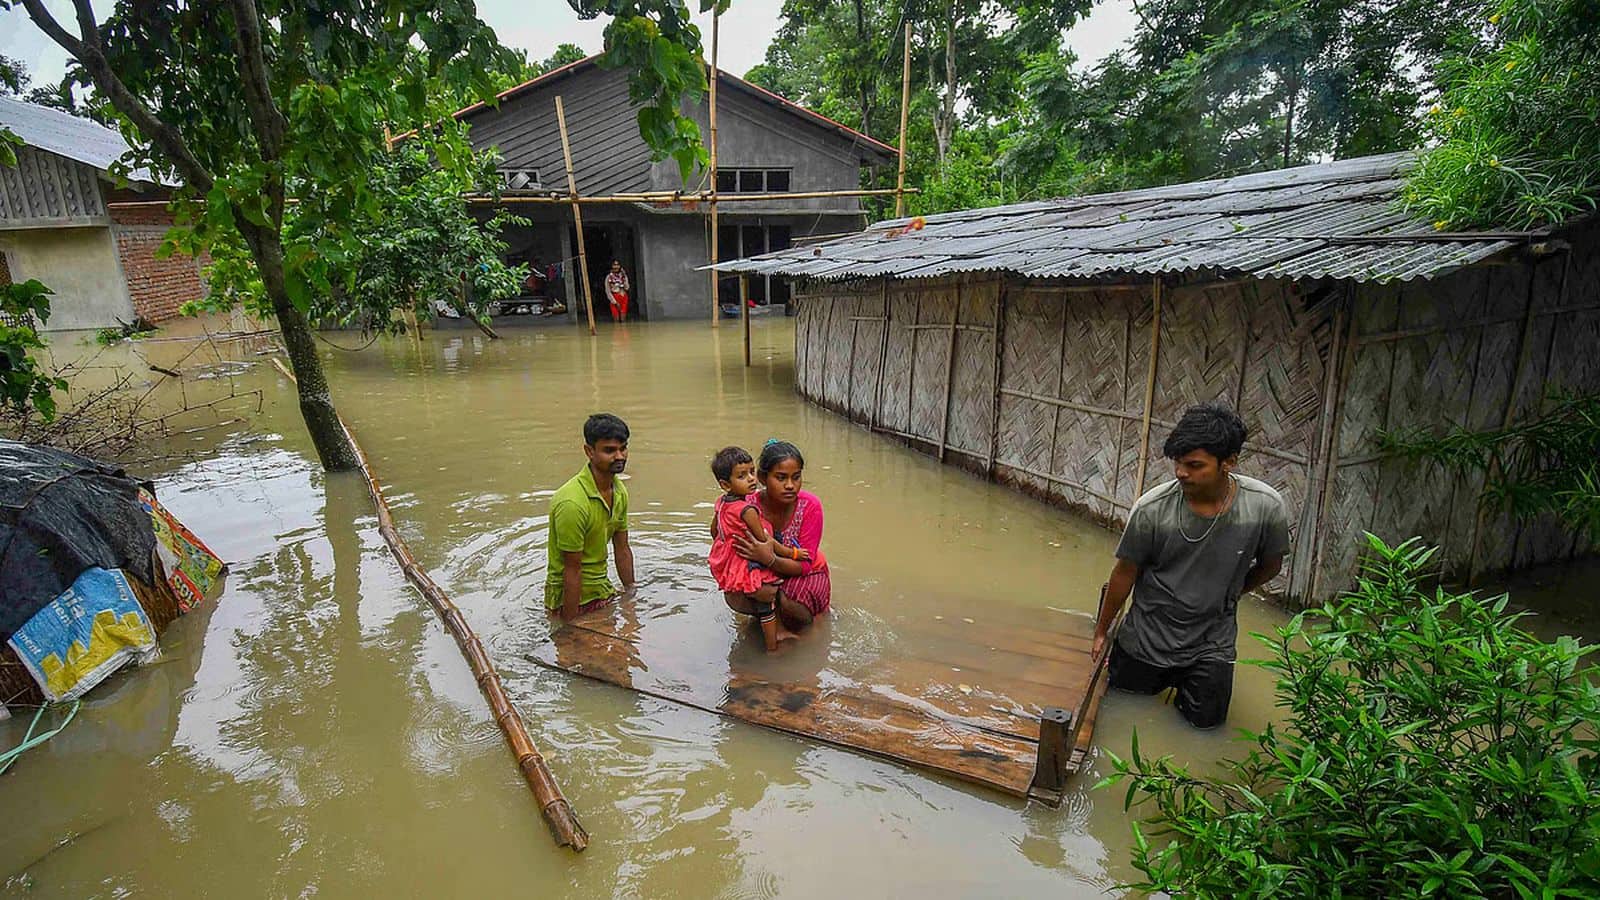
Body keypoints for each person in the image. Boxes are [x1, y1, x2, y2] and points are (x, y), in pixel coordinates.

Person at [1090, 402, 1289, 729]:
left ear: (1229, 463)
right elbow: (1124, 574)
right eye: (1179, 463)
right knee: (1122, 716)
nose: (1182, 472)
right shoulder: (1153, 510)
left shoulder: (1263, 507)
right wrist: (1101, 630)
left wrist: (1233, 592)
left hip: (1212, 641)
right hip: (1147, 636)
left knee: (1205, 730)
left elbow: (1271, 564)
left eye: (1195, 465)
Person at [720, 440, 831, 633]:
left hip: (807, 573)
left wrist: (769, 558)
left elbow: (804, 566)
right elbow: (728, 546)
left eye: (796, 477)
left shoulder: (810, 506)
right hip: (764, 574)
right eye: (781, 478)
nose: (790, 485)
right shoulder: (745, 506)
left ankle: (804, 625)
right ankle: (771, 619)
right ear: (762, 478)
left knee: (792, 602)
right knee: (734, 593)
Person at [708, 446, 810, 651]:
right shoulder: (748, 510)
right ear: (725, 484)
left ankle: (765, 633)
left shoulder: (721, 503)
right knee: (766, 603)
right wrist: (793, 553)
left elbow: (714, 531)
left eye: (752, 472)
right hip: (747, 560)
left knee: (759, 599)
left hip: (730, 557)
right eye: (742, 476)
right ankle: (773, 644)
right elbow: (765, 541)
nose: (751, 479)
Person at [544, 413, 636, 622]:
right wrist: (570, 626)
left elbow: (622, 548)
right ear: (589, 451)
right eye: (610, 450)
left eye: (623, 448)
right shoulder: (572, 503)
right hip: (570, 601)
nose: (620, 456)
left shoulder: (619, 490)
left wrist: (631, 595)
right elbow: (572, 569)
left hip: (602, 591)